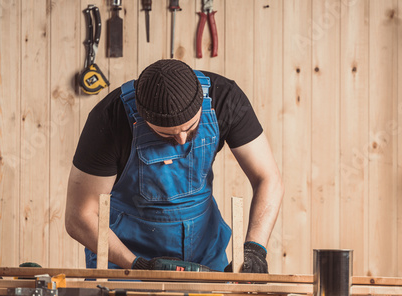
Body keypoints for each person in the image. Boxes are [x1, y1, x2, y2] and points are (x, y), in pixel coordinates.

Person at [65, 59, 283, 273]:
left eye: (190, 127)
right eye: (166, 134)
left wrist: (255, 249)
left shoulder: (225, 99)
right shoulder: (109, 119)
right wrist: (136, 265)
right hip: (125, 254)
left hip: (204, 252)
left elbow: (268, 178)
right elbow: (79, 216)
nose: (181, 140)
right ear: (142, 116)